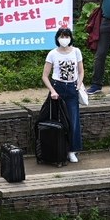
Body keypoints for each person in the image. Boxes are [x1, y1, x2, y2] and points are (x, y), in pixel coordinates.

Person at [42, 27, 85, 163]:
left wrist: (78, 84)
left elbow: (81, 71)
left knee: (73, 120)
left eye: (67, 36)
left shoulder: (76, 51)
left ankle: (72, 150)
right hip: (58, 87)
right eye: (62, 36)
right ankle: (57, 149)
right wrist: (53, 91)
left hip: (72, 87)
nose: (64, 39)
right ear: (57, 38)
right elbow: (44, 76)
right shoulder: (52, 54)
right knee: (57, 120)